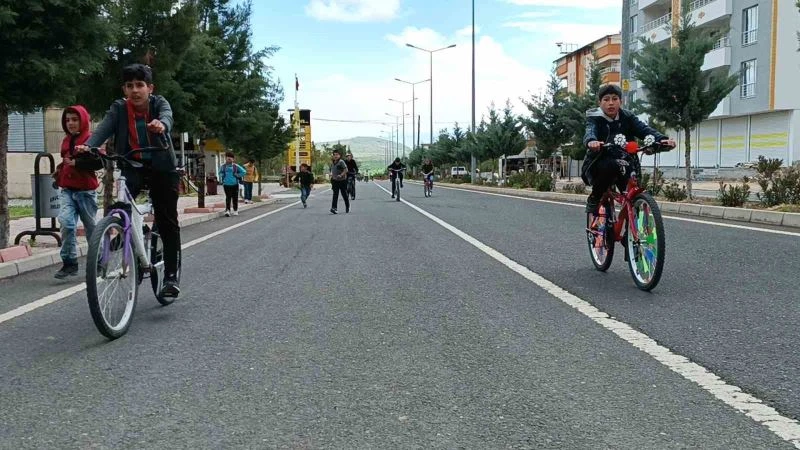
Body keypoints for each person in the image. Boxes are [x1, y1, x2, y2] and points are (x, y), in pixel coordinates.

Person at [80, 64, 181, 296]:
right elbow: (103, 129)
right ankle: (128, 238)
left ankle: (171, 277)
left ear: (150, 87)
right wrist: (89, 145)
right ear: (124, 89)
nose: (135, 90)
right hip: (132, 165)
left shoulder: (159, 104)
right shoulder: (119, 108)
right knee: (122, 206)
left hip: (162, 168)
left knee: (167, 219)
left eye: (140, 85)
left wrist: (161, 124)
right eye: (129, 86)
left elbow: (167, 116)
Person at [582, 84, 675, 213]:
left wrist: (661, 139)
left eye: (615, 99)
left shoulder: (627, 117)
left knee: (633, 194)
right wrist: (592, 141)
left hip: (625, 160)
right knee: (609, 166)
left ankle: (632, 228)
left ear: (621, 101)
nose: (611, 103)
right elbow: (590, 131)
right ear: (600, 102)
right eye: (606, 99)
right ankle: (595, 197)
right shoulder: (594, 118)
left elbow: (644, 130)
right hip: (600, 161)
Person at [54, 105, 102, 279]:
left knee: (91, 228)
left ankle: (99, 260)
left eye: (75, 119)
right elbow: (66, 161)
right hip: (67, 190)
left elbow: (99, 162)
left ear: (83, 120)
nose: (71, 123)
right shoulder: (66, 140)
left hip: (86, 192)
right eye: (67, 120)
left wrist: (79, 163)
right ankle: (69, 263)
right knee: (66, 223)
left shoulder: (91, 139)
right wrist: (59, 172)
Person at [218, 152, 246, 216]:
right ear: (226, 158)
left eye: (230, 157)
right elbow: (220, 173)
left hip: (235, 184)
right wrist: (223, 175)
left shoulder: (235, 166)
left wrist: (238, 175)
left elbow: (244, 172)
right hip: (226, 185)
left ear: (233, 159)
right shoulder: (223, 166)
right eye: (227, 157)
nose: (229, 158)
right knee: (228, 197)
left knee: (235, 198)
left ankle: (235, 210)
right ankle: (227, 210)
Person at [329, 149, 350, 214]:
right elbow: (332, 170)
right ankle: (334, 208)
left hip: (342, 181)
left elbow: (346, 170)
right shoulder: (333, 162)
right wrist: (331, 175)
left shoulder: (341, 162)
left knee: (344, 194)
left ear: (339, 155)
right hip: (335, 181)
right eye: (334, 155)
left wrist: (341, 175)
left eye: (337, 155)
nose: (335, 156)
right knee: (335, 194)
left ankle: (347, 206)